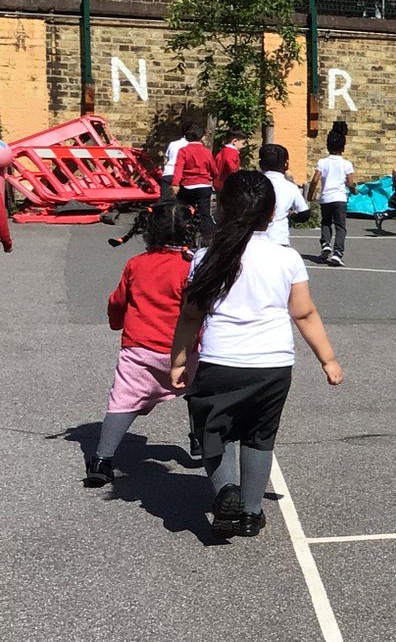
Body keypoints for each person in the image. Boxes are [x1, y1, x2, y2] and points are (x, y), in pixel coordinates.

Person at [169, 170, 343, 539]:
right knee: (259, 435)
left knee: (213, 431)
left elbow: (191, 314)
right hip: (274, 365)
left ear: (223, 210)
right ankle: (249, 512)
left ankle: (226, 491)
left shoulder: (205, 256)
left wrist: (179, 360)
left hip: (222, 361)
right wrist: (327, 359)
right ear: (272, 213)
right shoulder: (287, 258)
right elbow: (304, 313)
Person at [83, 202, 200, 488]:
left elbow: (118, 302)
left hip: (139, 347)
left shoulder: (136, 265)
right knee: (199, 393)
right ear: (190, 232)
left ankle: (102, 459)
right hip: (183, 349)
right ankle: (200, 442)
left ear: (149, 232)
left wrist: (115, 322)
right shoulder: (191, 265)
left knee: (123, 400)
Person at [309, 122, 357, 265]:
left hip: (326, 198)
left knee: (325, 222)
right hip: (340, 198)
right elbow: (349, 183)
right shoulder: (346, 164)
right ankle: (338, 252)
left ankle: (325, 244)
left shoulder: (322, 162)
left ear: (327, 146)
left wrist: (310, 195)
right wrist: (354, 190)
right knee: (340, 226)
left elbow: (315, 180)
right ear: (343, 147)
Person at [259, 143, 311, 246]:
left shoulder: (255, 183)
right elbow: (305, 214)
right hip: (279, 238)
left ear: (261, 164)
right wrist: (292, 216)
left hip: (254, 240)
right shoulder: (290, 187)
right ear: (286, 164)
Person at [172, 123, 217, 238]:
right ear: (201, 137)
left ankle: (183, 235)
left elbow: (178, 168)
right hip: (203, 186)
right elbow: (214, 169)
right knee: (205, 213)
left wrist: (175, 184)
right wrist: (212, 177)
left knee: (184, 212)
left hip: (187, 186)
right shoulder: (206, 152)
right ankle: (207, 237)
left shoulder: (183, 151)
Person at [213, 129, 246, 195]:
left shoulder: (222, 151)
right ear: (235, 141)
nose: (243, 146)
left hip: (218, 184)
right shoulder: (232, 152)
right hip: (229, 185)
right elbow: (230, 165)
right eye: (242, 143)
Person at [159, 131, 188, 200]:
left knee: (165, 199)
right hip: (182, 174)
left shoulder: (172, 144)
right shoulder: (189, 145)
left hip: (168, 172)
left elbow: (165, 159)